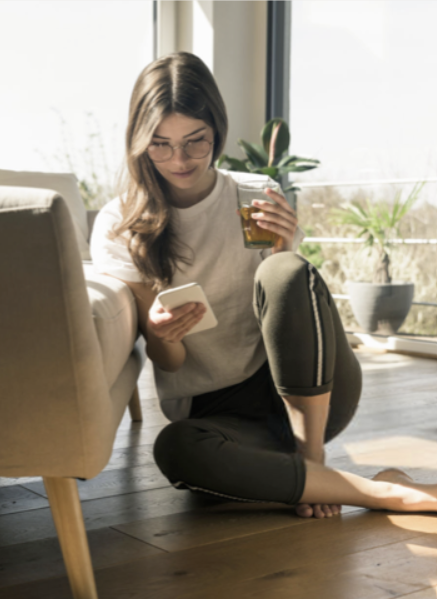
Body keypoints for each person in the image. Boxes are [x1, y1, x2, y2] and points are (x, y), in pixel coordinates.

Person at [91, 52, 437, 518]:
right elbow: (167, 360)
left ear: (217, 131)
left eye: (197, 142)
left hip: (310, 391)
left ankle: (311, 461)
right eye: (160, 144)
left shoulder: (254, 195)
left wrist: (283, 251)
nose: (179, 160)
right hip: (216, 413)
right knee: (176, 450)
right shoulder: (122, 223)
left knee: (286, 270)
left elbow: (293, 303)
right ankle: (384, 490)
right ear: (137, 141)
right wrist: (160, 332)